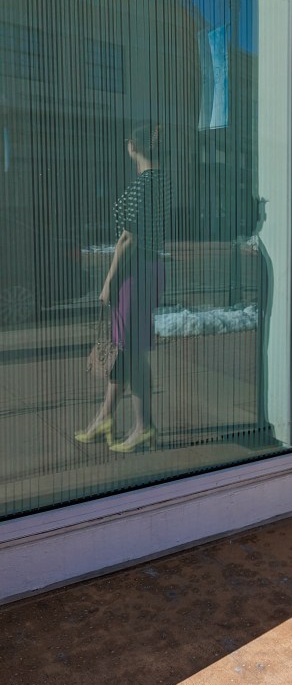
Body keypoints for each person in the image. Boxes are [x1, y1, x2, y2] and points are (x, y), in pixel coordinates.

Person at [75, 123, 171, 452]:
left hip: (135, 272)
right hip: (151, 269)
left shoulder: (143, 185)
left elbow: (128, 239)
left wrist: (108, 282)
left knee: (131, 352)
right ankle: (105, 418)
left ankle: (142, 427)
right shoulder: (161, 182)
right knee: (127, 349)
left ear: (134, 147)